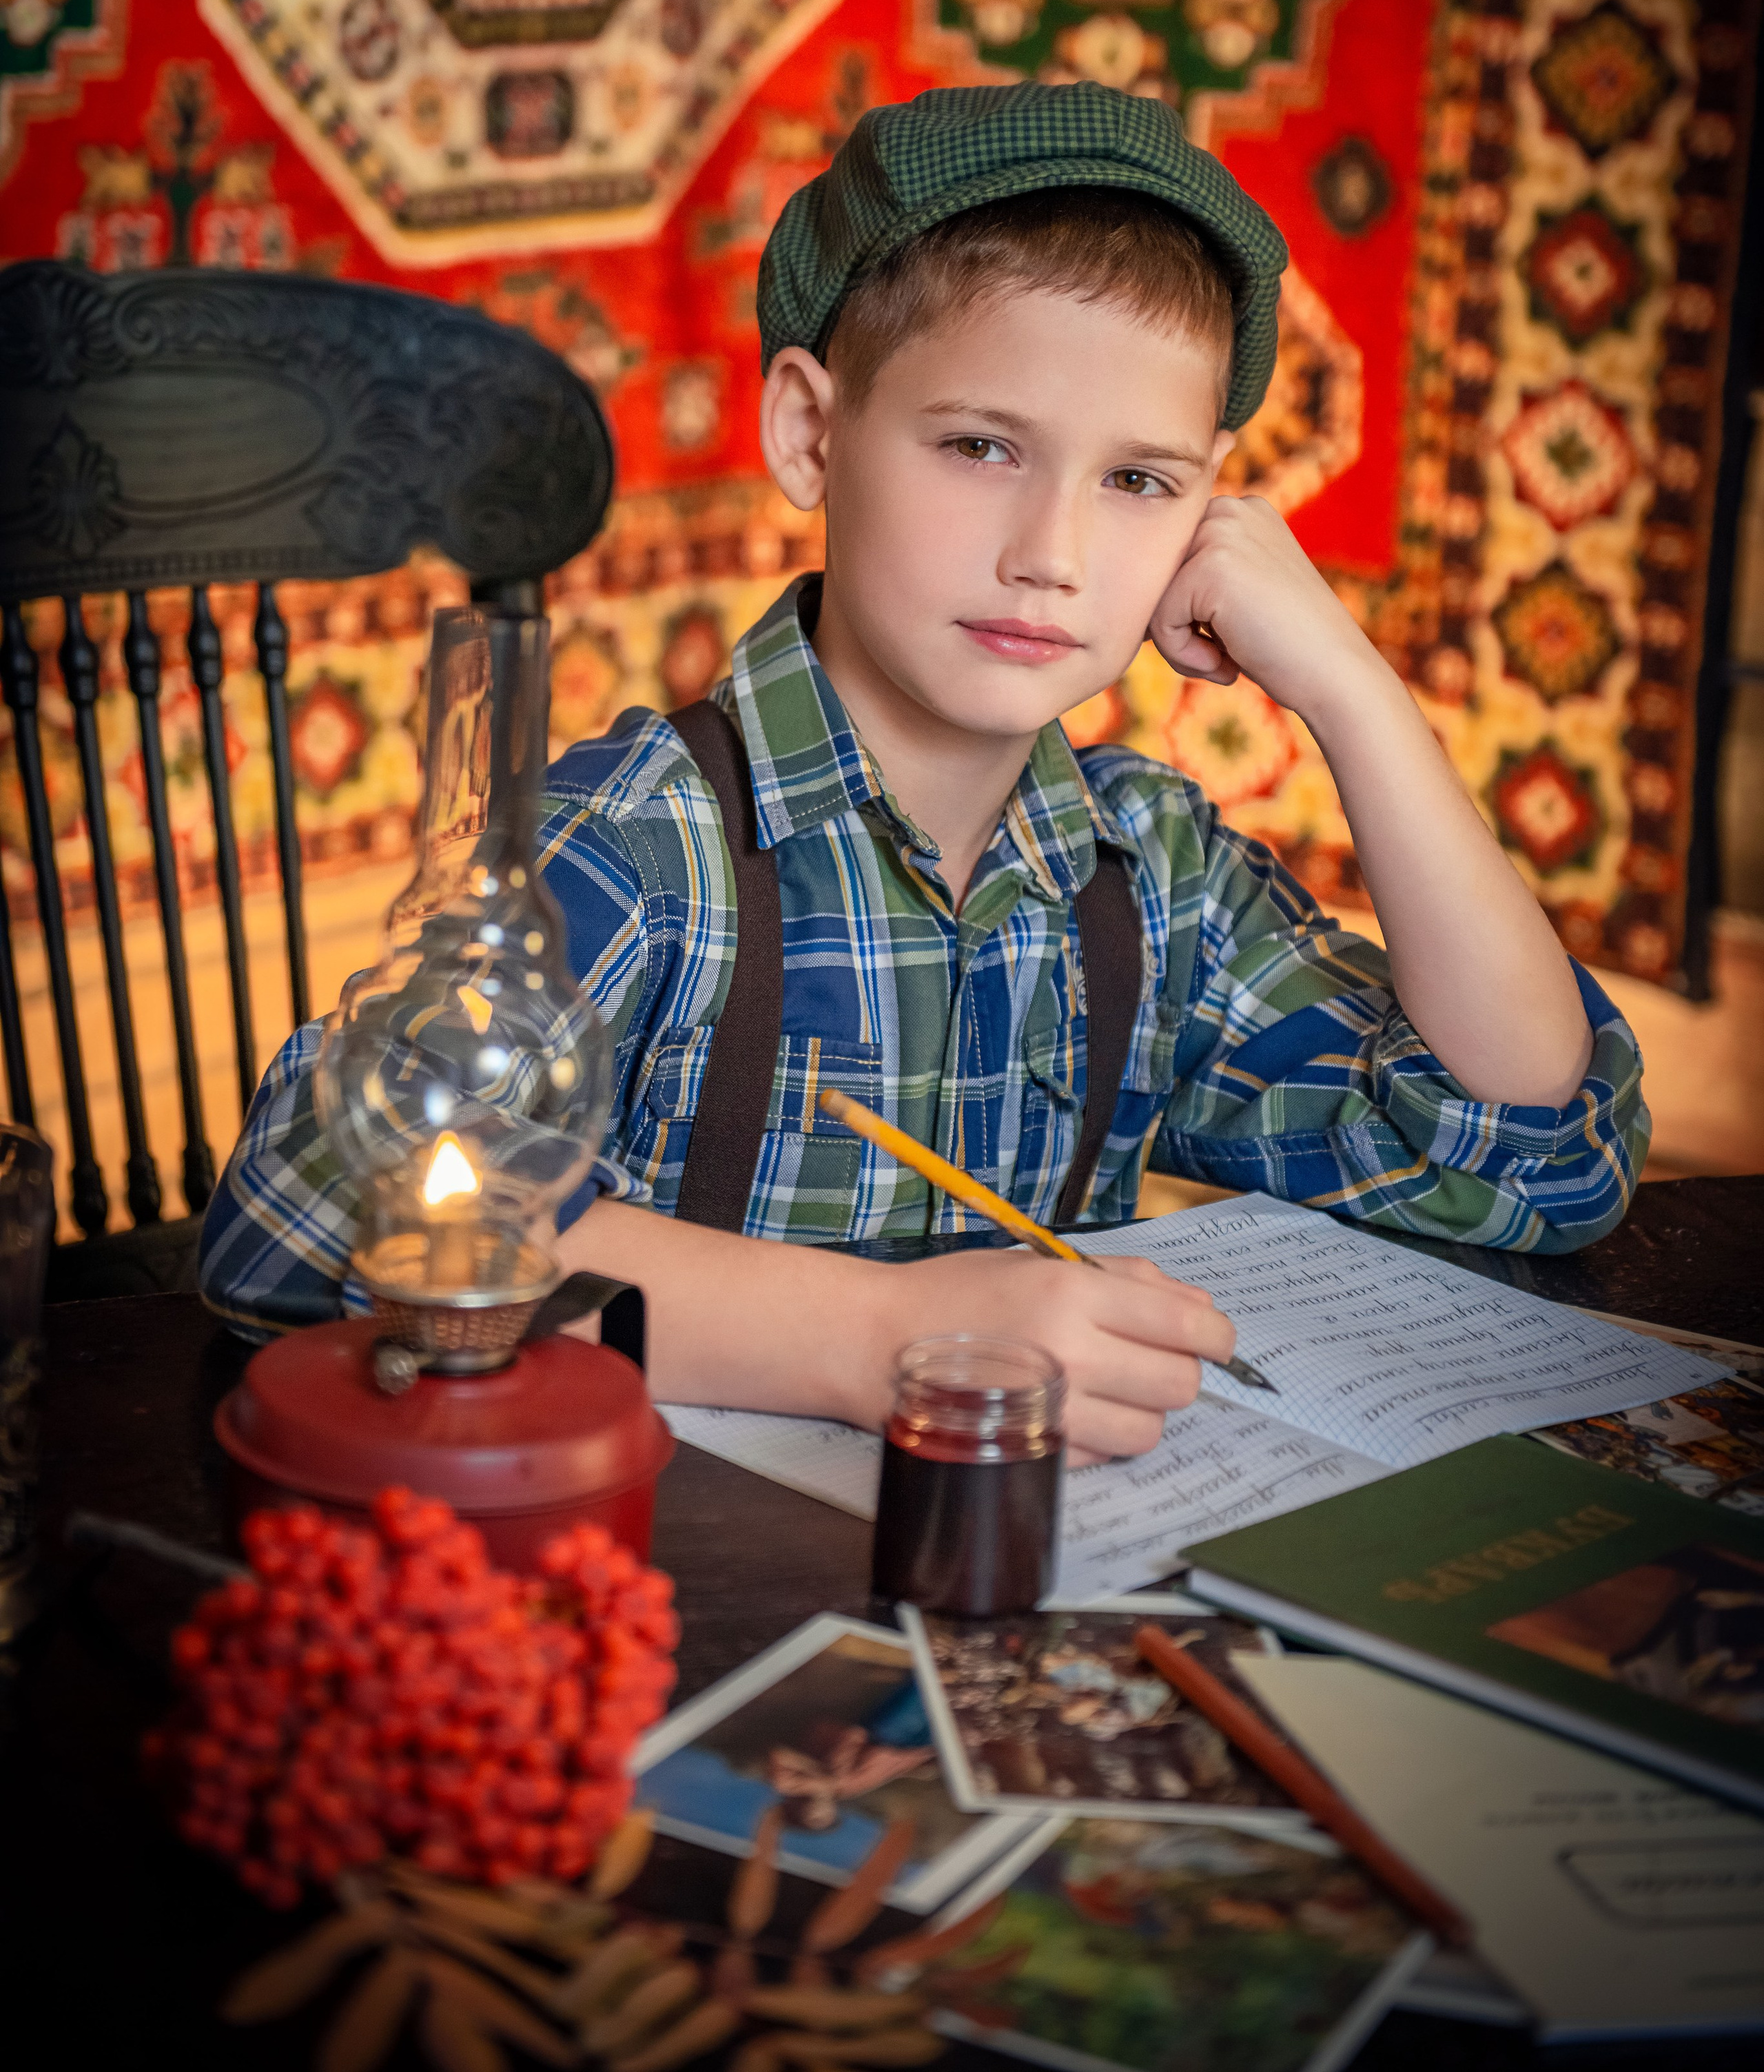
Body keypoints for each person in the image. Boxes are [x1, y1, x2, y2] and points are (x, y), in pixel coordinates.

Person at [200, 83, 1647, 1464]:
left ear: (1212, 505)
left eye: (1137, 480)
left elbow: (1527, 1158)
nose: (1052, 552)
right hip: (670, 1615)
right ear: (809, 433)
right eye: (977, 445)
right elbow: (311, 1207)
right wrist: (879, 1330)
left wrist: (1353, 693)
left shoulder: (1152, 884)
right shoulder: (646, 845)